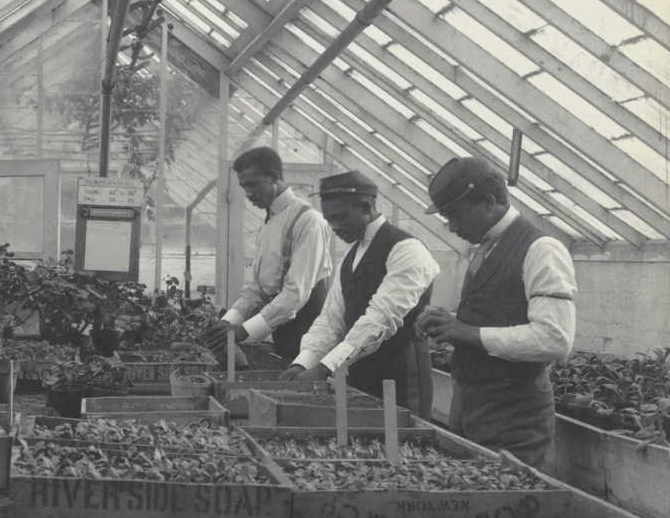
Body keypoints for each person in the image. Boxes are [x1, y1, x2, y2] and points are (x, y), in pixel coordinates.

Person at [417, 157, 576, 467]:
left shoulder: (542, 250)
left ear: (489, 203)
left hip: (514, 420)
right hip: (469, 409)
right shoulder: (486, 245)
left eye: (456, 215)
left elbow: (555, 338)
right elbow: (496, 311)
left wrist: (468, 333)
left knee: (504, 495)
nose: (452, 227)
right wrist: (450, 321)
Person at [280, 171, 439, 420]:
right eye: (329, 219)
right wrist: (303, 362)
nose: (334, 227)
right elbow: (331, 318)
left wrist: (325, 366)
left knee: (401, 438)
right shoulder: (351, 257)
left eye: (340, 217)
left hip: (402, 379)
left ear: (366, 207)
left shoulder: (407, 250)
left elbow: (380, 318)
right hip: (360, 374)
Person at [202, 146, 332, 364]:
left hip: (309, 333)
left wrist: (244, 330)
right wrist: (228, 321)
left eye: (253, 185)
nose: (248, 194)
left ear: (273, 177)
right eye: (244, 187)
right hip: (283, 331)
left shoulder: (308, 221)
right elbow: (256, 289)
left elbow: (295, 293)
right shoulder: (268, 223)